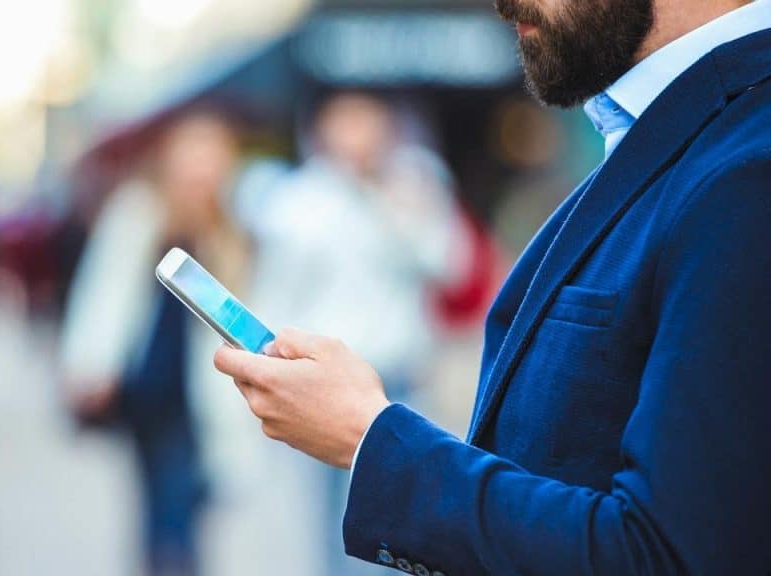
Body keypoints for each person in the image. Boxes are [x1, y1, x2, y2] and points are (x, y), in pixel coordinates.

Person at [212, 0, 771, 573]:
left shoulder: (749, 167)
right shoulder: (680, 131)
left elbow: (665, 556)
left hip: (390, 380)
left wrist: (371, 439)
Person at [242, 92, 468, 576]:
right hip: (317, 378)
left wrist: (396, 206)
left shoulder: (415, 182)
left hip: (395, 378)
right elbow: (277, 288)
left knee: (389, 515)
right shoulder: (300, 200)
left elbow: (450, 264)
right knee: (328, 520)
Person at [61, 110, 254, 576]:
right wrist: (88, 365)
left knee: (182, 515)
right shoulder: (139, 213)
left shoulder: (230, 230)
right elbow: (104, 294)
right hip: (147, 389)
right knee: (164, 519)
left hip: (203, 397)